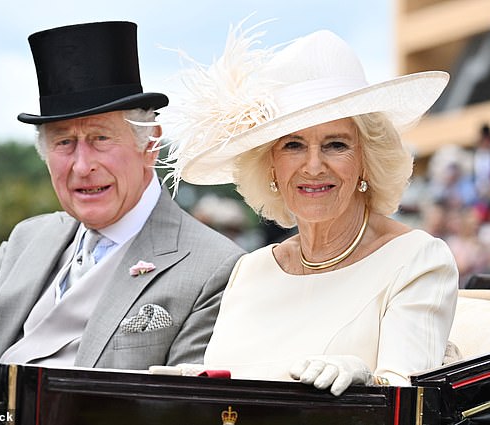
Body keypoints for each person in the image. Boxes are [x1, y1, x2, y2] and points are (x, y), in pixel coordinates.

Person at [0, 21, 244, 369]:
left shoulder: (216, 268)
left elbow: (182, 407)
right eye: (64, 142)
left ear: (150, 144)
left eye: (101, 138)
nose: (82, 165)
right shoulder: (31, 238)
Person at [166, 25, 459, 395]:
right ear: (270, 166)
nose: (314, 166)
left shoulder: (418, 259)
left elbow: (411, 399)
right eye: (293, 145)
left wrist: (367, 379)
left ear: (366, 160)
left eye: (335, 145)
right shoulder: (249, 270)